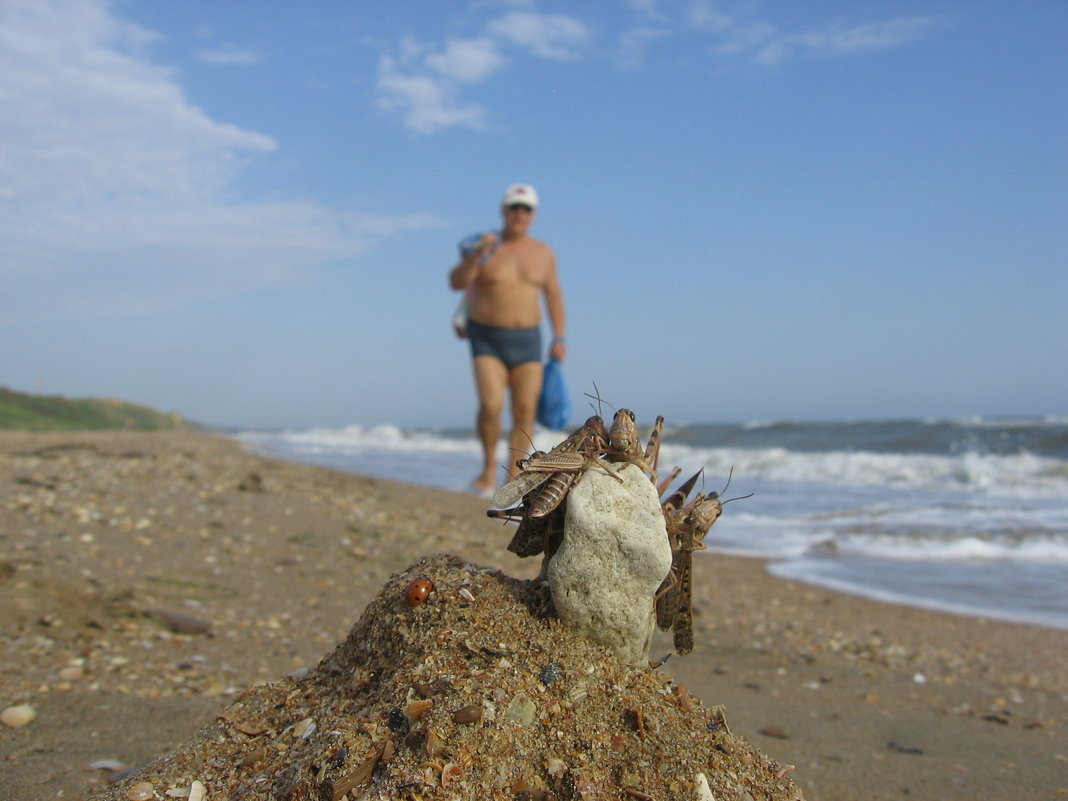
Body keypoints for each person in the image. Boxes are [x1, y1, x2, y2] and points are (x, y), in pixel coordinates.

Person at [449, 184, 567, 493]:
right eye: (514, 207)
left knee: (525, 408)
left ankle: (512, 476)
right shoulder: (484, 245)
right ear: (503, 210)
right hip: (486, 335)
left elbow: (553, 295)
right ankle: (488, 467)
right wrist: (475, 256)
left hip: (529, 338)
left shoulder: (543, 252)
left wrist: (560, 337)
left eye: (525, 208)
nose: (519, 214)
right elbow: (457, 282)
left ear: (534, 214)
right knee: (491, 404)